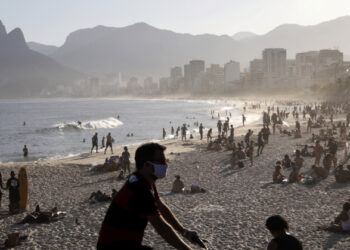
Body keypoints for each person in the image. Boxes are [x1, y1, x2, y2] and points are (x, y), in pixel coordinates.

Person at [97, 143, 200, 249]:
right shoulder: (139, 188)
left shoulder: (143, 180)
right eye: (161, 161)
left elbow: (161, 207)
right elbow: (161, 227)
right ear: (146, 165)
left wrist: (184, 232)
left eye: (165, 161)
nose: (165, 165)